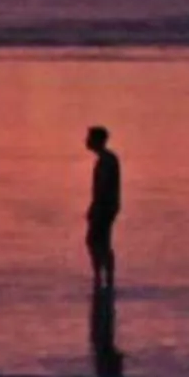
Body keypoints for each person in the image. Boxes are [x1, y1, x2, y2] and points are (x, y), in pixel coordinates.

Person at [85, 124, 122, 291]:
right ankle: (102, 275)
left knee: (97, 241)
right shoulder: (106, 159)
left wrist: (96, 207)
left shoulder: (107, 160)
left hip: (105, 207)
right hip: (105, 206)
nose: (86, 141)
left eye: (89, 138)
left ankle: (103, 276)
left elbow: (104, 187)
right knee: (98, 241)